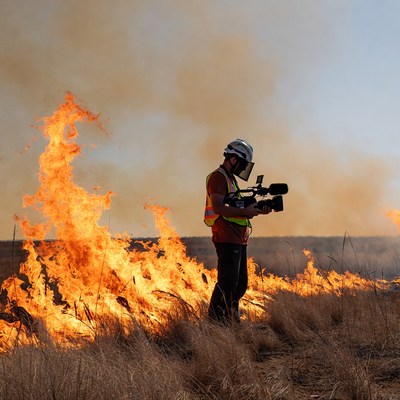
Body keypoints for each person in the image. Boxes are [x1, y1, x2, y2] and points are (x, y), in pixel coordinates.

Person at [204, 139, 271, 324]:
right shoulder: (218, 177)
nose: (243, 168)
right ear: (233, 159)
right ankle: (216, 323)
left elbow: (235, 205)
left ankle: (231, 320)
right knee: (227, 283)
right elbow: (218, 207)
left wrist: (256, 209)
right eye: (242, 163)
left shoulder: (230, 179)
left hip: (238, 238)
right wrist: (245, 212)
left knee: (239, 285)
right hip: (226, 236)